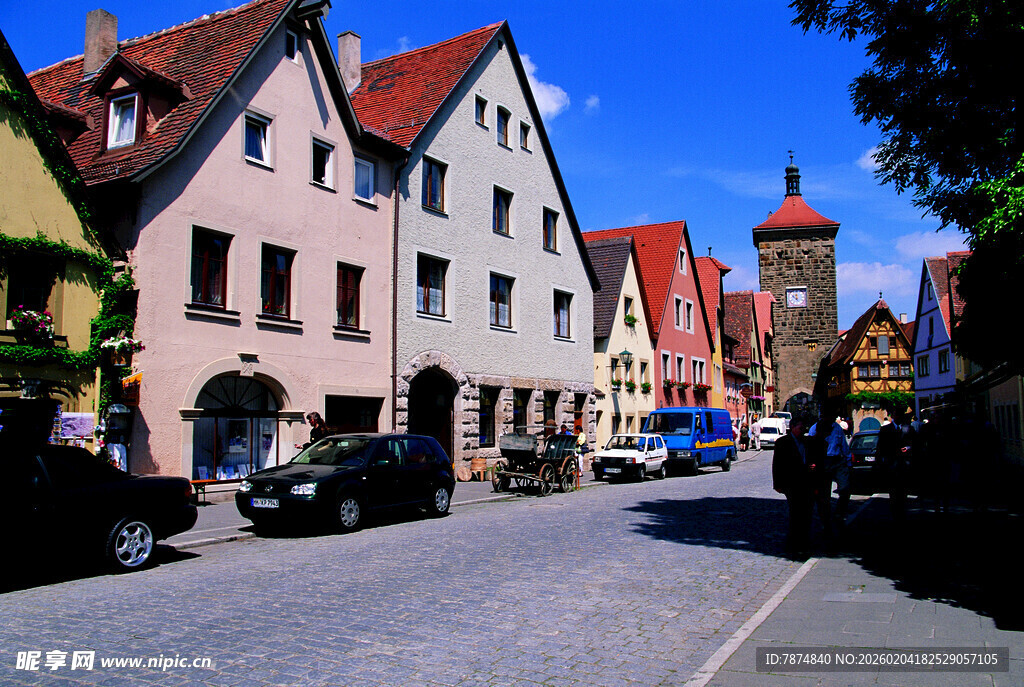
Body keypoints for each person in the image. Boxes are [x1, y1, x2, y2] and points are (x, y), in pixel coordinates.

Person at [773, 414, 813, 557]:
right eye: (800, 427)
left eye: (804, 428)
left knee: (807, 514)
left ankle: (804, 541)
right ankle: (794, 543)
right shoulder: (783, 442)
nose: (803, 430)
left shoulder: (808, 442)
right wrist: (777, 484)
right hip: (791, 484)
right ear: (793, 427)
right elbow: (777, 464)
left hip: (807, 483)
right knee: (796, 513)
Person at [807, 407, 852, 535]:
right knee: (823, 495)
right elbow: (811, 447)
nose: (832, 419)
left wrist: (848, 462)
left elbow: (843, 445)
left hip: (837, 461)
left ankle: (839, 513)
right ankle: (825, 520)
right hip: (823, 462)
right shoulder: (814, 428)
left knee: (845, 489)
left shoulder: (837, 428)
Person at [876, 406, 915, 522]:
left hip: (904, 466)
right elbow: (880, 448)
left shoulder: (909, 429)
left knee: (903, 494)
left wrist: (908, 448)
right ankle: (896, 516)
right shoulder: (885, 430)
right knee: (893, 495)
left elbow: (916, 445)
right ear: (893, 417)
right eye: (896, 415)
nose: (898, 417)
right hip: (891, 466)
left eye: (900, 415)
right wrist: (880, 466)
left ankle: (901, 515)